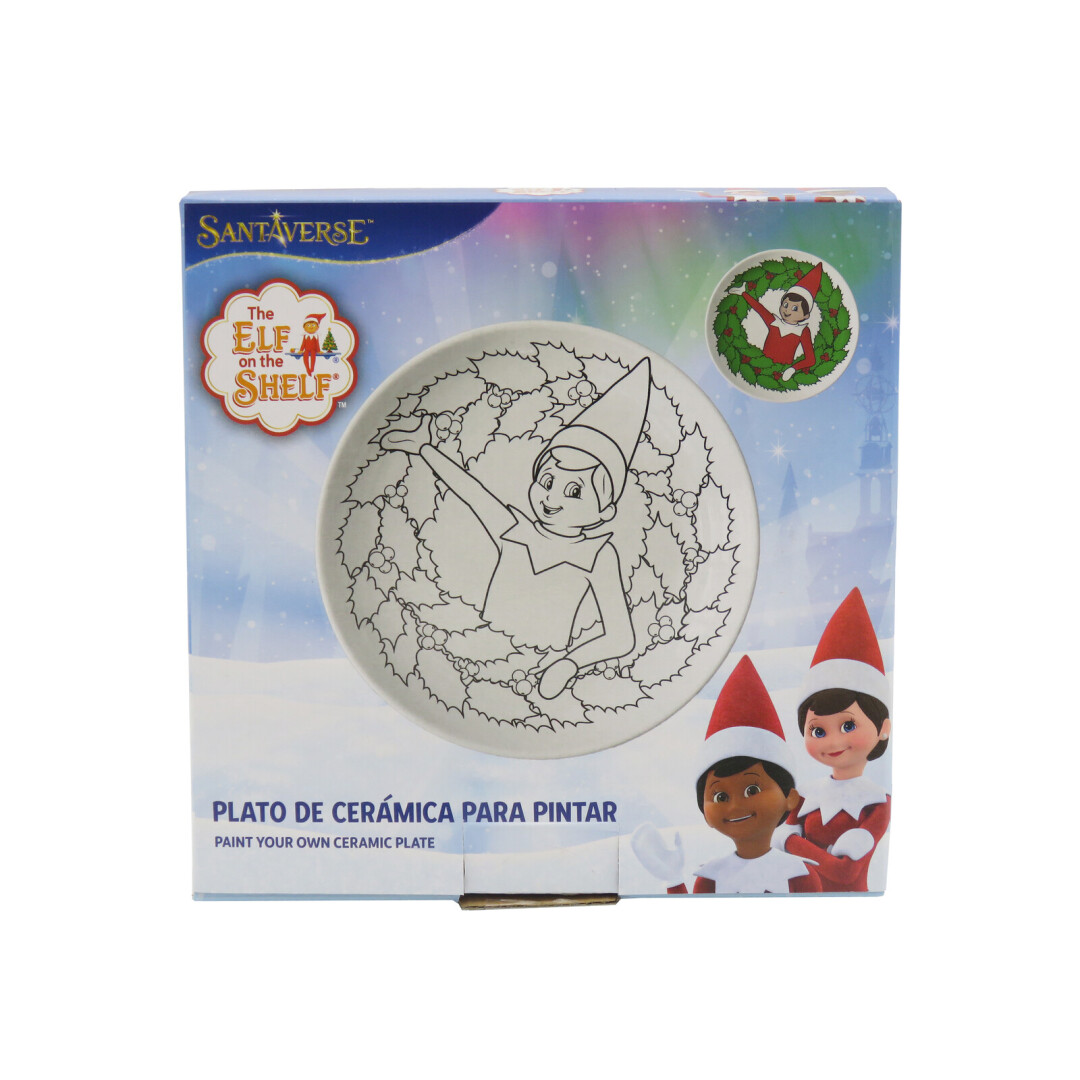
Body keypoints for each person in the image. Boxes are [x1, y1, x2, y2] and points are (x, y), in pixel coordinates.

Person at [378, 359, 652, 699]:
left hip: (540, 661)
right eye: (547, 481)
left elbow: (621, 636)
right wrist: (424, 448)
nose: (552, 498)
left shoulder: (597, 554)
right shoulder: (516, 530)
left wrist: (569, 664)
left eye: (575, 491)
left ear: (606, 511)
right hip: (481, 646)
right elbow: (470, 491)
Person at [632, 656, 822, 894]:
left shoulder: (799, 874)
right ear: (705, 812)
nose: (735, 806)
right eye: (720, 797)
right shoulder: (711, 878)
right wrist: (673, 880)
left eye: (752, 790)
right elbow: (692, 917)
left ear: (790, 798)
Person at [774, 588, 892, 891]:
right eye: (818, 731)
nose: (832, 742)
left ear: (883, 728)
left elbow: (845, 873)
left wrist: (792, 842)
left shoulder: (878, 802)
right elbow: (778, 851)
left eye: (848, 725)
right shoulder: (806, 796)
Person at [730, 262, 822, 382]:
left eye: (795, 308)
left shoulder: (802, 331)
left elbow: (811, 359)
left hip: (781, 370)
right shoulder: (774, 322)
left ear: (806, 315)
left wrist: (792, 369)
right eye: (785, 305)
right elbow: (760, 309)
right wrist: (744, 293)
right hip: (762, 365)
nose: (787, 310)